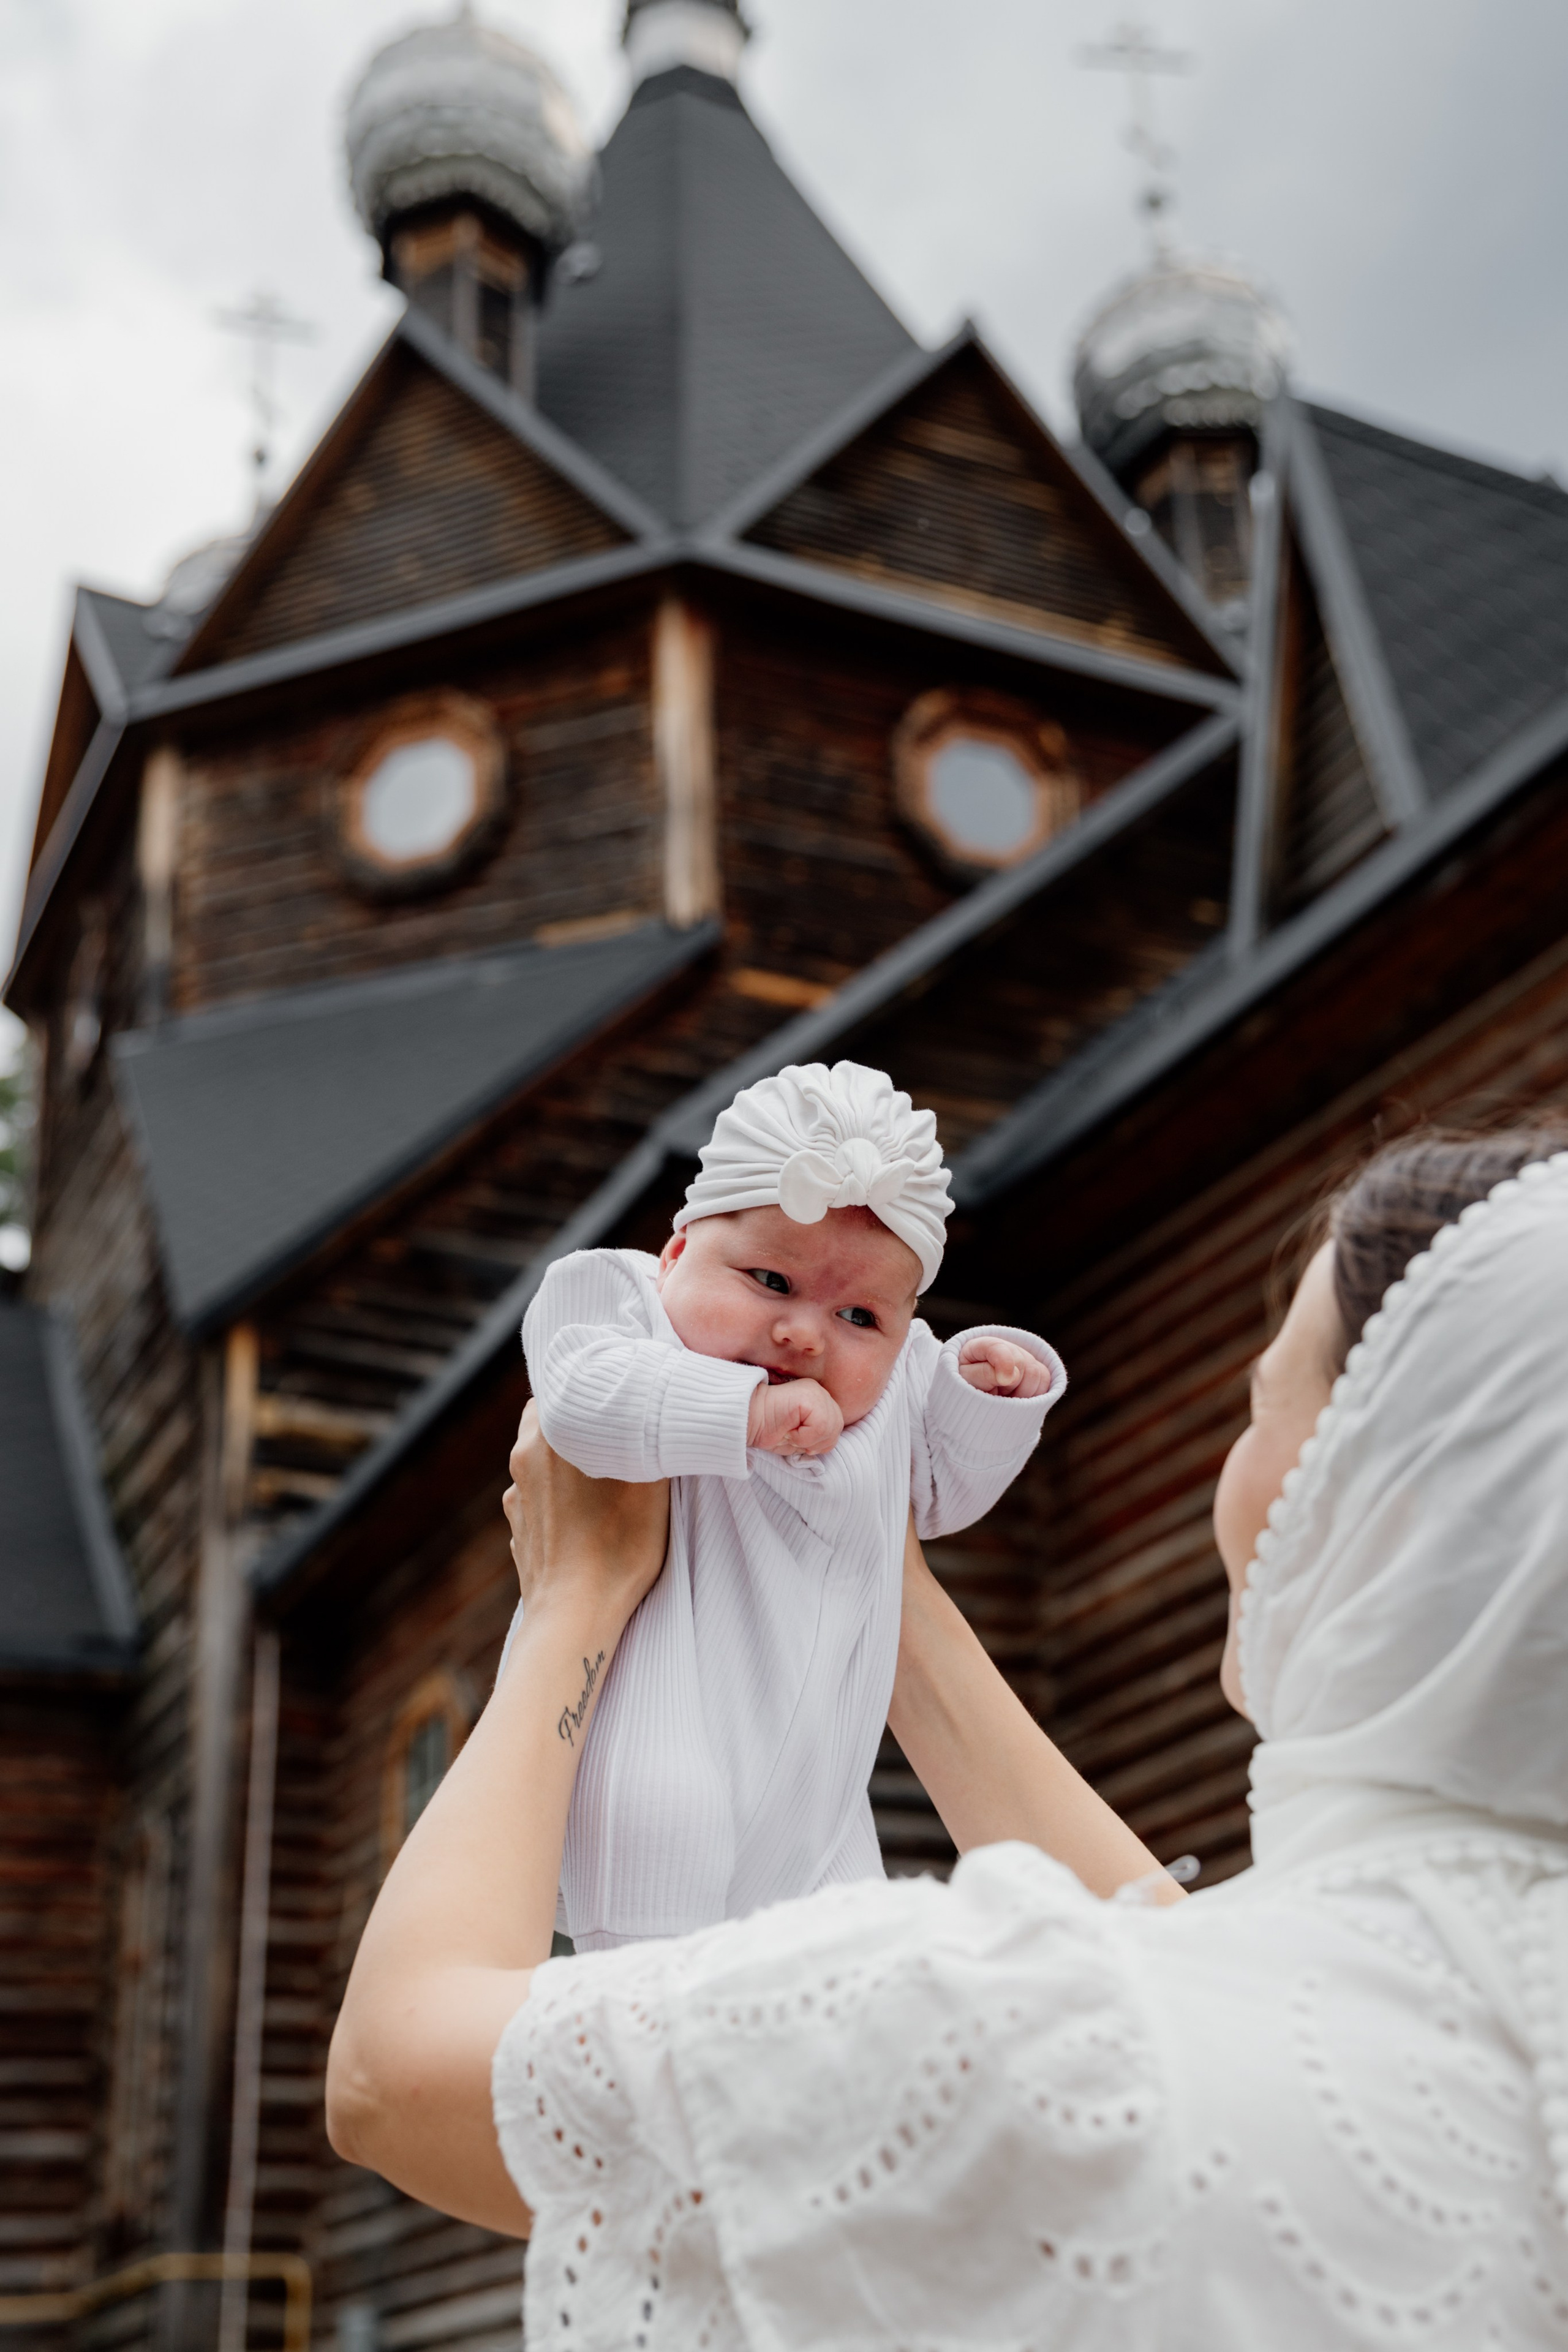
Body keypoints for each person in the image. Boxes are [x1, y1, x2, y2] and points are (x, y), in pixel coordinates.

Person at [327, 1125, 1568, 2348]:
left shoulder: (999, 2037)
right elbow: (1171, 1949)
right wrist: (869, 1563)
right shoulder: (1495, 2014)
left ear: (1396, 1506)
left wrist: (572, 1601)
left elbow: (395, 2074)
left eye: (1256, 1412)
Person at [516, 1058, 1063, 1948]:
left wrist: (984, 1395)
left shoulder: (887, 1392)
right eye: (770, 1282)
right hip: (661, 1743)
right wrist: (748, 1415)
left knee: (841, 1955)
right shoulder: (624, 1303)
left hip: (822, 1791)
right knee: (659, 1965)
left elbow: (944, 1497)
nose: (806, 1333)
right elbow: (580, 1398)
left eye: (860, 1318)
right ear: (679, 1252)